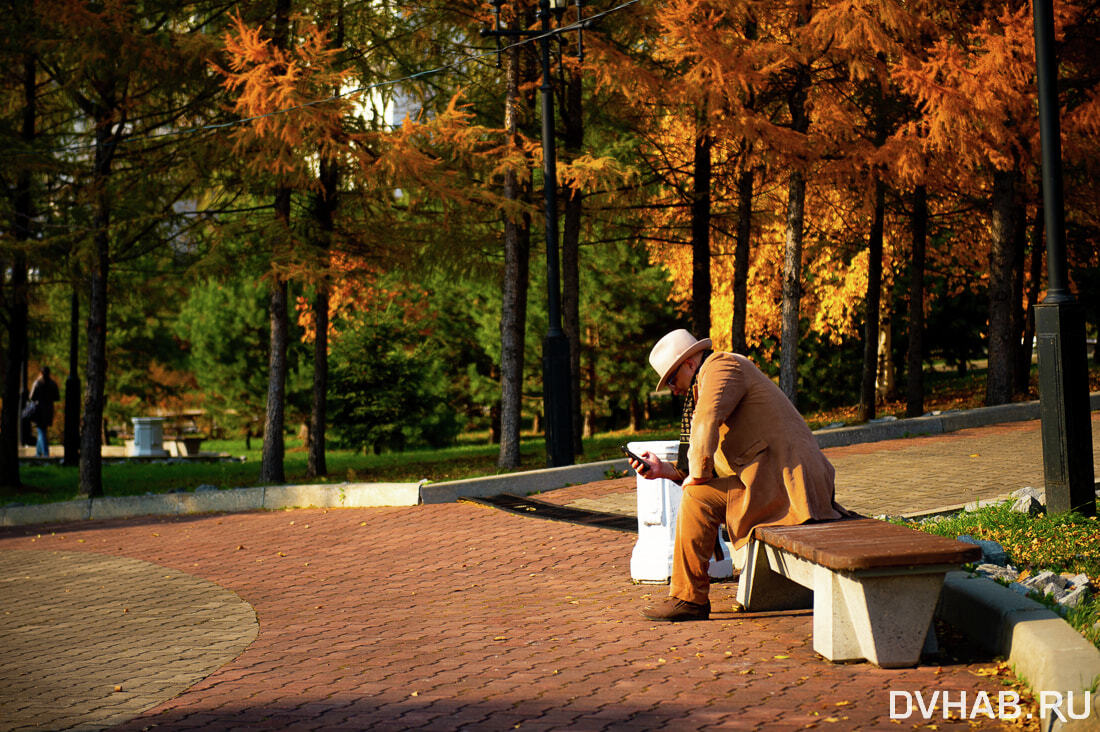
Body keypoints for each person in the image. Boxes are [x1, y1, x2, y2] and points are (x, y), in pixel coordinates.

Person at [627, 330, 852, 621]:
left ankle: (689, 599)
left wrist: (695, 477)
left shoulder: (722, 366)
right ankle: (688, 598)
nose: (673, 389)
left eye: (672, 379)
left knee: (697, 496)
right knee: (697, 494)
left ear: (690, 365)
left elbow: (707, 422)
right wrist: (663, 470)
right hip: (771, 480)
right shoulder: (707, 382)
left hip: (788, 484)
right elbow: (704, 450)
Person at [29, 366, 61, 457]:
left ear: (41, 373)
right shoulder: (53, 384)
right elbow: (56, 397)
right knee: (42, 430)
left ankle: (45, 453)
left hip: (38, 410)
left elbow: (31, 397)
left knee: (41, 431)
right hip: (49, 409)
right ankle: (38, 453)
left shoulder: (37, 383)